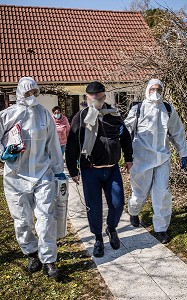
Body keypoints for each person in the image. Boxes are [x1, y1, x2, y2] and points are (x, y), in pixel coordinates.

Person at [0, 77, 66, 278]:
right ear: (20, 93)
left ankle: (49, 260)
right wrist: (3, 153)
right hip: (15, 176)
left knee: (46, 218)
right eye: (28, 93)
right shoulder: (7, 115)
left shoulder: (44, 114)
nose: (32, 97)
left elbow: (53, 144)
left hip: (42, 173)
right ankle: (31, 253)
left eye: (35, 93)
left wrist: (58, 169)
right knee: (22, 219)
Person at [66, 81, 133, 257]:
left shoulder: (114, 114)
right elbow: (72, 145)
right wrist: (73, 170)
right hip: (90, 170)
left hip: (112, 170)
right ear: (87, 97)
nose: (95, 98)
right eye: (91, 95)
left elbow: (125, 137)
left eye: (98, 95)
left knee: (118, 204)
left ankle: (111, 228)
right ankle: (97, 238)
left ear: (104, 95)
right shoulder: (80, 118)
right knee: (94, 208)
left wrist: (128, 158)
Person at [125, 78, 187, 243]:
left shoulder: (167, 109)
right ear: (147, 90)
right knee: (139, 194)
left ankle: (161, 228)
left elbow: (177, 132)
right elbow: (125, 131)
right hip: (141, 158)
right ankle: (133, 212)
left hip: (162, 157)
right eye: (153, 89)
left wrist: (183, 152)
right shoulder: (138, 108)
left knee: (162, 194)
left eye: (159, 90)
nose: (156, 92)